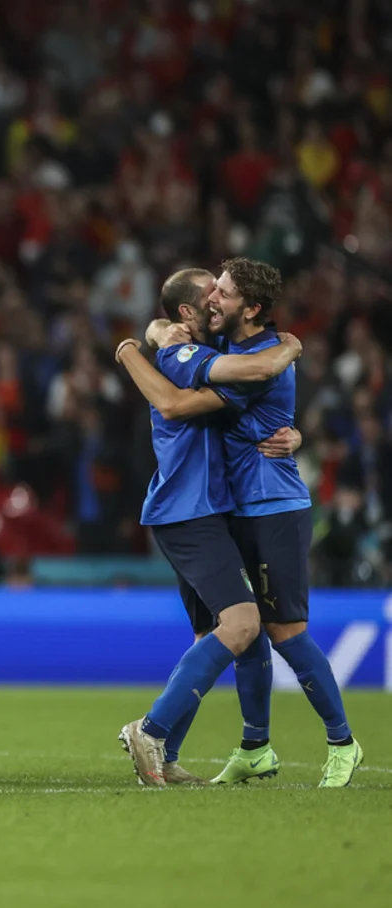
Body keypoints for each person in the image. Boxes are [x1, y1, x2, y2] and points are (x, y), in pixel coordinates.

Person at [119, 258, 363, 787]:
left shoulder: (253, 355)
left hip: (271, 506)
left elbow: (256, 382)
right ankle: (239, 745)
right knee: (239, 630)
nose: (214, 300)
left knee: (279, 632)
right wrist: (147, 339)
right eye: (210, 292)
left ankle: (341, 742)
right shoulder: (224, 350)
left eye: (223, 292)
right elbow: (176, 399)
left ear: (248, 308)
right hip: (220, 510)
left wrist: (292, 361)